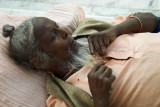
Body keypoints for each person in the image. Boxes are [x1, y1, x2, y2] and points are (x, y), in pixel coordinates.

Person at [2, 12, 159, 107]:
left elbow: (152, 20)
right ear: (39, 61)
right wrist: (100, 98)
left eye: (57, 26)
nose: (64, 31)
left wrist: (115, 30)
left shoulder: (89, 30)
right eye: (53, 36)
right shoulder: (61, 99)